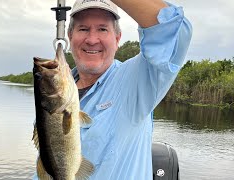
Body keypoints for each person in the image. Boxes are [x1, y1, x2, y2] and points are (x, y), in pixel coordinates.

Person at [34, 0, 192, 179]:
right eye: (83, 29)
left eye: (102, 29)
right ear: (70, 36)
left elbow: (174, 30)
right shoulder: (52, 100)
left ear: (117, 39)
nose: (92, 40)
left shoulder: (137, 81)